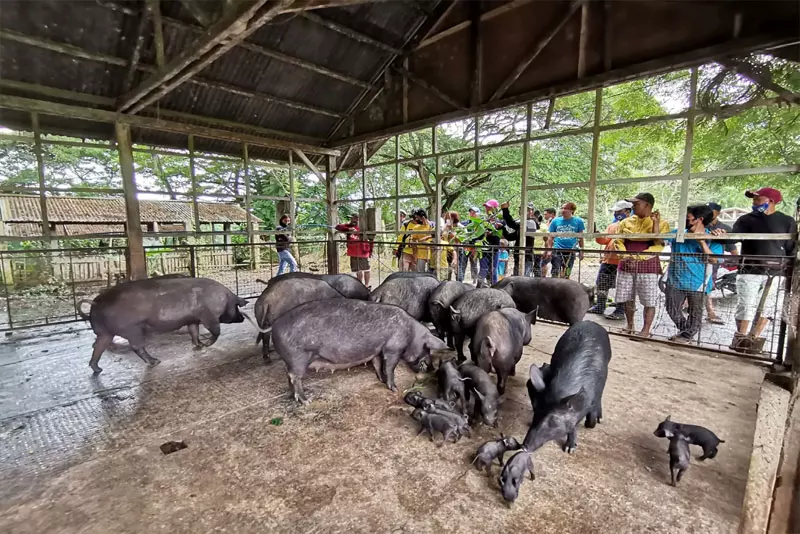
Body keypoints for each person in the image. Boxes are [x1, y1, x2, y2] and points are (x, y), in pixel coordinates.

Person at [724, 188, 797, 351]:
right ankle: (740, 337)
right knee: (746, 305)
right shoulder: (745, 220)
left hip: (776, 271)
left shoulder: (787, 221)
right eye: (754, 199)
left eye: (758, 199)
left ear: (770, 201)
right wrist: (721, 233)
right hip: (749, 268)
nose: (754, 202)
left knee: (768, 307)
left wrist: (788, 271)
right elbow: (732, 237)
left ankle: (753, 339)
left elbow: (791, 248)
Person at [663, 205, 724, 343]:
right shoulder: (679, 233)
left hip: (698, 282)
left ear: (700, 219)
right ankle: (686, 331)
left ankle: (686, 336)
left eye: (688, 218)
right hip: (675, 280)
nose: (685, 220)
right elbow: (660, 240)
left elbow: (714, 259)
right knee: (671, 308)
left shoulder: (712, 237)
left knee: (695, 312)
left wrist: (702, 242)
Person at [613, 192, 671, 338]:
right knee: (627, 297)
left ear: (647, 205)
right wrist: (626, 257)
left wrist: (639, 258)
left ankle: (646, 330)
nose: (633, 206)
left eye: (636, 204)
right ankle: (630, 325)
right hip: (626, 264)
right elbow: (618, 241)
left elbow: (659, 245)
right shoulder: (625, 222)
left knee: (649, 299)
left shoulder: (662, 223)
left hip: (648, 266)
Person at [588, 200, 632, 319]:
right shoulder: (613, 226)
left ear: (628, 212)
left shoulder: (632, 225)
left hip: (623, 260)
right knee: (602, 284)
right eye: (616, 211)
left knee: (623, 286)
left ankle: (620, 310)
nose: (616, 213)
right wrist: (597, 234)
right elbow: (605, 240)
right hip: (609, 260)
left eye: (619, 211)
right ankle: (600, 306)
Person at [703, 202, 737, 324]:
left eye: (711, 211)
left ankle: (710, 312)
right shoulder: (700, 224)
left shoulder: (725, 228)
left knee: (707, 285)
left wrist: (737, 260)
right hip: (697, 259)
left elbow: (732, 247)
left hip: (714, 261)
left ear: (718, 213)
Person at [544, 202, 585, 278]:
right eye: (562, 208)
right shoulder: (555, 221)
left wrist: (581, 250)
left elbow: (581, 237)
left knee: (567, 271)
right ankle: (554, 286)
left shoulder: (578, 221)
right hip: (557, 249)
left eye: (566, 208)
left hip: (571, 250)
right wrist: (549, 250)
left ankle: (565, 285)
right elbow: (550, 237)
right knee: (555, 271)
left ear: (572, 210)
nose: (563, 210)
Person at [500, 201, 538, 276]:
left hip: (526, 256)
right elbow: (510, 237)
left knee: (524, 279)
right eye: (521, 209)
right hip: (518, 255)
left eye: (526, 209)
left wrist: (505, 210)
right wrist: (502, 228)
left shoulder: (531, 222)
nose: (522, 211)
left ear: (532, 212)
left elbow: (512, 224)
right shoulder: (522, 225)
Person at [335, 213, 373, 287]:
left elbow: (371, 239)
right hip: (353, 252)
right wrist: (348, 229)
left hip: (363, 251)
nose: (352, 220)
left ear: (358, 219)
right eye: (351, 218)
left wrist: (370, 250)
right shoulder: (349, 226)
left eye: (354, 218)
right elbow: (338, 227)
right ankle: (360, 286)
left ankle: (366, 285)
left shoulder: (364, 227)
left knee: (366, 269)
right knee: (358, 271)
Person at [477, 199, 503, 286]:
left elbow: (500, 229)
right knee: (483, 269)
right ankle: (479, 286)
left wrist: (493, 229)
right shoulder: (484, 219)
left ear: (494, 208)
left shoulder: (499, 220)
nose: (487, 209)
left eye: (488, 207)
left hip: (494, 248)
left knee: (493, 269)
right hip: (484, 248)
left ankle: (494, 286)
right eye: (486, 207)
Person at [457, 208, 480, 283]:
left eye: (474, 212)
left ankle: (475, 279)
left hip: (475, 246)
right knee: (463, 263)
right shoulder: (465, 223)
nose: (472, 214)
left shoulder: (480, 224)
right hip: (465, 246)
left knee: (474, 263)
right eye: (471, 212)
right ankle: (461, 279)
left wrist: (475, 247)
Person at [538, 208, 556, 277]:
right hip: (548, 246)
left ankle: (543, 278)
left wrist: (548, 248)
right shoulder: (548, 222)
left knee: (543, 263)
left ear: (552, 214)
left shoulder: (553, 222)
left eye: (546, 214)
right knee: (544, 263)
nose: (544, 216)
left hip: (552, 246)